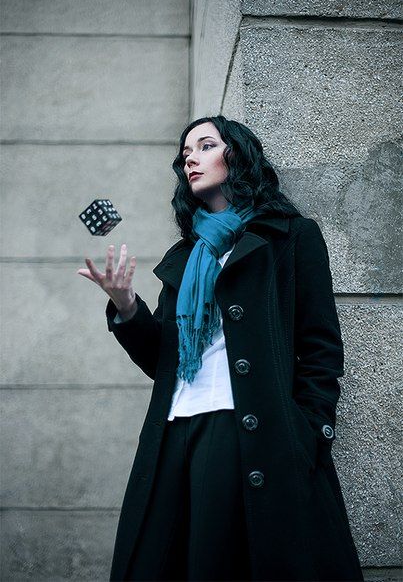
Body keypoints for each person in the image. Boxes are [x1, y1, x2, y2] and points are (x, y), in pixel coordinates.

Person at [77, 115, 364, 581]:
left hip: (245, 427)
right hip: (173, 430)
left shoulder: (291, 237)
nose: (190, 158)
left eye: (205, 145)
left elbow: (320, 348)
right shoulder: (187, 256)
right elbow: (162, 361)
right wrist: (127, 306)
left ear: (238, 155)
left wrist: (309, 432)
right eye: (185, 152)